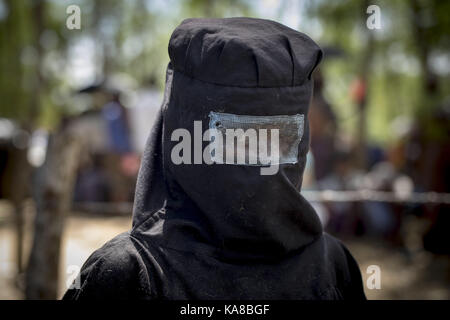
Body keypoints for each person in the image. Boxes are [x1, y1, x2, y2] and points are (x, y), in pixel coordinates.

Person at [63, 17, 366, 300]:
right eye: (235, 140)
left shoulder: (126, 273)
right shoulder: (333, 265)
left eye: (271, 140)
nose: (252, 157)